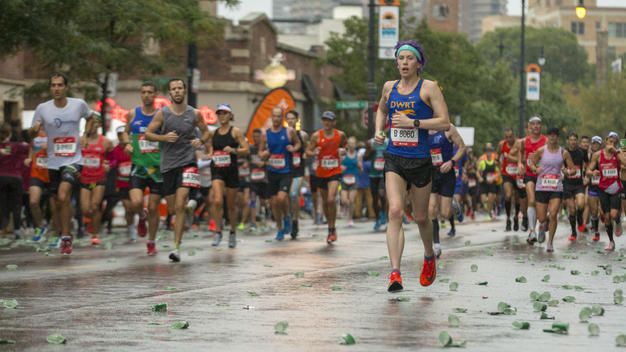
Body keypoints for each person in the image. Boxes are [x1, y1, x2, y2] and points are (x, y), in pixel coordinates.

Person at [374, 40, 450, 292]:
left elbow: (444, 123)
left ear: (418, 63)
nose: (404, 62)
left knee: (420, 217)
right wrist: (378, 131)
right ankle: (395, 272)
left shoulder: (428, 88)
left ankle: (428, 255)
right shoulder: (389, 87)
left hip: (420, 161)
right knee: (395, 211)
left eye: (409, 58)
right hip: (395, 157)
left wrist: (414, 123)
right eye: (400, 58)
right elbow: (381, 110)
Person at [144, 78, 210, 261]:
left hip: (188, 162)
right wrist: (164, 138)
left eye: (180, 88)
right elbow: (148, 134)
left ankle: (176, 249)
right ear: (170, 93)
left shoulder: (194, 114)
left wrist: (201, 141)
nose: (177, 92)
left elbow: (205, 132)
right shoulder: (162, 114)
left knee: (180, 203)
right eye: (173, 89)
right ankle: (188, 210)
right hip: (168, 165)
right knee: (173, 209)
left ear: (185, 90)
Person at [30, 72, 94, 255]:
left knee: (63, 195)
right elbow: (31, 135)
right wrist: (33, 131)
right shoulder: (42, 108)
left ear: (66, 87)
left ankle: (66, 238)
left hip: (73, 159)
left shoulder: (78, 105)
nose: (56, 88)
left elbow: (92, 118)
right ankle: (63, 232)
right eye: (53, 85)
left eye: (59, 85)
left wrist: (85, 134)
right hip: (53, 162)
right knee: (58, 201)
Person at [120, 81, 163, 255]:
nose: (146, 95)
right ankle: (141, 216)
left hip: (156, 168)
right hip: (138, 166)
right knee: (136, 203)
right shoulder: (133, 114)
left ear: (155, 95)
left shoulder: (162, 115)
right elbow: (125, 131)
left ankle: (151, 242)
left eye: (150, 92)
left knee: (154, 207)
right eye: (143, 92)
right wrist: (126, 143)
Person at [207, 103, 249, 248]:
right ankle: (218, 231)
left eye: (225, 113)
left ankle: (232, 232)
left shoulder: (235, 131)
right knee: (217, 200)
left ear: (230, 115)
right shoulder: (213, 133)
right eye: (219, 113)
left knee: (231, 205)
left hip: (231, 171)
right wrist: (207, 155)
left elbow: (246, 149)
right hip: (217, 170)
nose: (222, 116)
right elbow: (209, 149)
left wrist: (233, 150)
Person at [529, 127, 576, 252]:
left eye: (554, 135)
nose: (552, 137)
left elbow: (574, 169)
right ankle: (542, 225)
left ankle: (550, 243)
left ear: (558, 137)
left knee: (554, 214)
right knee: (542, 218)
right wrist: (535, 169)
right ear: (547, 136)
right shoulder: (541, 151)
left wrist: (567, 171)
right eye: (550, 135)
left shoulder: (563, 152)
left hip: (556, 187)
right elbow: (531, 164)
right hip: (541, 187)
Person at [260, 107, 300, 240]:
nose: (276, 118)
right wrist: (264, 154)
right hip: (272, 172)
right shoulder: (266, 134)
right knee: (274, 203)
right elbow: (260, 152)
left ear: (282, 118)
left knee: (282, 198)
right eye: (274, 116)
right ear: (271, 117)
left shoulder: (289, 132)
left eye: (279, 116)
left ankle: (287, 217)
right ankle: (279, 228)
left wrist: (293, 148)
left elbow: (298, 144)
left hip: (286, 171)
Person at [306, 111, 346, 244]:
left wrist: (343, 151)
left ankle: (332, 228)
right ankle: (330, 225)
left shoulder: (340, 135)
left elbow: (344, 146)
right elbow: (308, 151)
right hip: (321, 172)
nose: (327, 122)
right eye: (324, 120)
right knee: (324, 202)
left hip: (335, 171)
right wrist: (314, 152)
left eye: (329, 120)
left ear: (334, 122)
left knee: (330, 199)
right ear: (322, 121)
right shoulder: (316, 136)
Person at [428, 124, 465, 257]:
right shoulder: (421, 127)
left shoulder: (448, 128)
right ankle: (436, 245)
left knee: (444, 213)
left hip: (446, 172)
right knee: (431, 209)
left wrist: (452, 162)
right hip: (431, 173)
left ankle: (455, 205)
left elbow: (462, 147)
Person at [510, 116, 546, 244]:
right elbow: (520, 154)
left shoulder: (546, 141)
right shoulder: (523, 142)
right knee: (531, 199)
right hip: (530, 174)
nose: (536, 126)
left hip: (543, 175)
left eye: (538, 124)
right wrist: (520, 163)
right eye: (533, 124)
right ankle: (532, 231)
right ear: (529, 127)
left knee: (541, 203)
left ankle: (542, 224)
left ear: (541, 126)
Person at [79, 114, 114, 245]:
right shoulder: (82, 141)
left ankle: (94, 234)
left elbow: (113, 158)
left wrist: (108, 165)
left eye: (94, 124)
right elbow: (75, 157)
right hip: (85, 179)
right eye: (89, 124)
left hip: (99, 179)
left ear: (98, 125)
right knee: (85, 210)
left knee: (94, 206)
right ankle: (94, 221)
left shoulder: (106, 142)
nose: (91, 127)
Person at [587, 132, 624, 251]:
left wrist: (617, 152)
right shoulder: (598, 155)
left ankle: (618, 221)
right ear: (606, 141)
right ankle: (611, 241)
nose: (612, 144)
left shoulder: (618, 154)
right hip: (602, 189)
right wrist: (592, 173)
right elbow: (588, 169)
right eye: (610, 141)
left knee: (613, 215)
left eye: (614, 142)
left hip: (615, 188)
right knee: (606, 217)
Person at [0, 124, 30, 239]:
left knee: (2, 206)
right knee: (17, 205)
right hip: (16, 177)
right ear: (10, 134)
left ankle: (2, 230)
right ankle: (17, 231)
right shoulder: (17, 146)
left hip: (1, 177)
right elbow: (30, 147)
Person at [28, 130, 58, 242]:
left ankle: (56, 234)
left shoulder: (57, 131)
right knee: (33, 202)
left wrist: (50, 147)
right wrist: (30, 158)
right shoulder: (36, 133)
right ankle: (40, 227)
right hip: (37, 173)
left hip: (52, 173)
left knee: (54, 208)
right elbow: (32, 147)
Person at [109, 126, 136, 241]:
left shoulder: (134, 147)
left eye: (123, 133)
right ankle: (131, 228)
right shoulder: (114, 150)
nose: (121, 136)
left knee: (134, 207)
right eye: (119, 134)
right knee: (127, 208)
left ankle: (132, 224)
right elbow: (111, 164)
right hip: (122, 184)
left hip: (135, 182)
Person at [286, 110, 309, 239]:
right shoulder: (282, 135)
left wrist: (306, 154)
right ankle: (288, 217)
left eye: (292, 118)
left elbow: (308, 149)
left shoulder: (303, 135)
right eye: (288, 119)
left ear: (297, 120)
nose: (290, 121)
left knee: (293, 194)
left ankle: (294, 221)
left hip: (298, 171)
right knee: (286, 197)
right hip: (285, 171)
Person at [562, 132, 588, 241]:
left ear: (577, 141)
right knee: (571, 210)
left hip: (578, 184)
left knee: (581, 204)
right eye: (571, 140)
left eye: (574, 140)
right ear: (567, 141)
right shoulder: (563, 152)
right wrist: (563, 170)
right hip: (568, 184)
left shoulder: (582, 152)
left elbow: (587, 163)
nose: (573, 142)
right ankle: (573, 232)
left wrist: (585, 174)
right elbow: (560, 164)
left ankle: (580, 216)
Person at [497, 128, 521, 231]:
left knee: (517, 198)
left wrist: (516, 160)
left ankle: (516, 217)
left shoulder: (519, 143)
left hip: (518, 174)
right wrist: (498, 165)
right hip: (506, 173)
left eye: (510, 137)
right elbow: (497, 156)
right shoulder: (502, 144)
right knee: (508, 195)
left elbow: (523, 157)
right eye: (506, 137)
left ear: (514, 135)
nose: (508, 139)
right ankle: (508, 219)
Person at [364, 136, 388, 230]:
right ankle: (377, 219)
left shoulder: (387, 142)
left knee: (382, 193)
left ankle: (383, 216)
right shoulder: (370, 142)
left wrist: (386, 155)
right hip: (373, 175)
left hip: (383, 174)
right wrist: (370, 151)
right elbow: (365, 158)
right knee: (374, 198)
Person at [249, 128, 269, 231]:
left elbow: (271, 161)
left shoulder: (265, 149)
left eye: (258, 137)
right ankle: (253, 222)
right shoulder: (250, 149)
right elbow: (246, 161)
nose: (256, 139)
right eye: (254, 137)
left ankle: (265, 215)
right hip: (253, 179)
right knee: (252, 201)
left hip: (263, 179)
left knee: (263, 201)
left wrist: (264, 163)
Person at [340, 136, 362, 228]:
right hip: (344, 179)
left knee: (352, 200)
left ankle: (350, 219)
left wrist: (360, 166)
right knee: (344, 200)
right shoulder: (343, 155)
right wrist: (340, 168)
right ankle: (346, 207)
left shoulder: (359, 155)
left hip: (354, 179)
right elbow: (338, 168)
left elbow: (361, 170)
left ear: (356, 145)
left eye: (353, 143)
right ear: (347, 145)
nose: (352, 145)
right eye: (350, 143)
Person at [585, 136, 603, 241]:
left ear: (600, 145)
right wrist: (590, 174)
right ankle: (596, 232)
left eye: (597, 143)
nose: (595, 145)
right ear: (591, 144)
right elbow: (586, 169)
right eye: (594, 143)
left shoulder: (605, 155)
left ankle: (604, 217)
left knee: (604, 212)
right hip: (593, 186)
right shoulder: (589, 156)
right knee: (594, 211)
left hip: (603, 186)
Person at [477, 144, 499, 220]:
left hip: (492, 182)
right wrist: (479, 177)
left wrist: (493, 178)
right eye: (487, 151)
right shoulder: (482, 161)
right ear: (486, 152)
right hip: (484, 182)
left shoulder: (494, 161)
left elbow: (499, 172)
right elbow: (478, 171)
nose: (489, 153)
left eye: (490, 151)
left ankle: (489, 214)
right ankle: (489, 208)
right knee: (484, 200)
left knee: (490, 198)